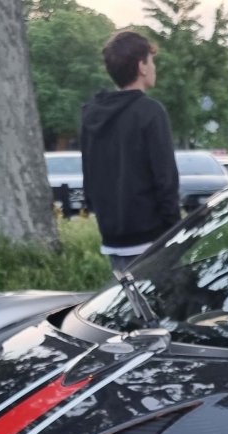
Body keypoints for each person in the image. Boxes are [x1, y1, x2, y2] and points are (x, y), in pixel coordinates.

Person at [80, 30, 180, 273]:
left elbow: (89, 173)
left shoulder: (91, 113)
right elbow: (165, 180)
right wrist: (175, 231)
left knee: (128, 308)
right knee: (159, 309)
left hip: (112, 239)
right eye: (151, 60)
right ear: (142, 66)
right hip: (151, 240)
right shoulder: (150, 112)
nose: (154, 67)